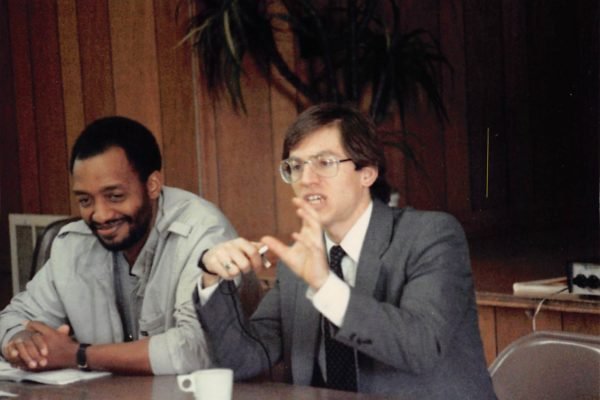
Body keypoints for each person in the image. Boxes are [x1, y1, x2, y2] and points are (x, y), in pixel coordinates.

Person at [193, 103, 497, 399]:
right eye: (296, 166)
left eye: (325, 163)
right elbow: (245, 359)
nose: (307, 179)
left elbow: (421, 347)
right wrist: (211, 279)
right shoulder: (299, 262)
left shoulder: (430, 235)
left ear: (367, 173)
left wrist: (325, 286)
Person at [0, 116, 237, 375]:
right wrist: (23, 341)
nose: (100, 215)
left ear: (152, 185)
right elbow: (13, 317)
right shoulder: (74, 244)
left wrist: (77, 355)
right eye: (85, 200)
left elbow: (195, 349)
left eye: (115, 196)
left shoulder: (203, 233)